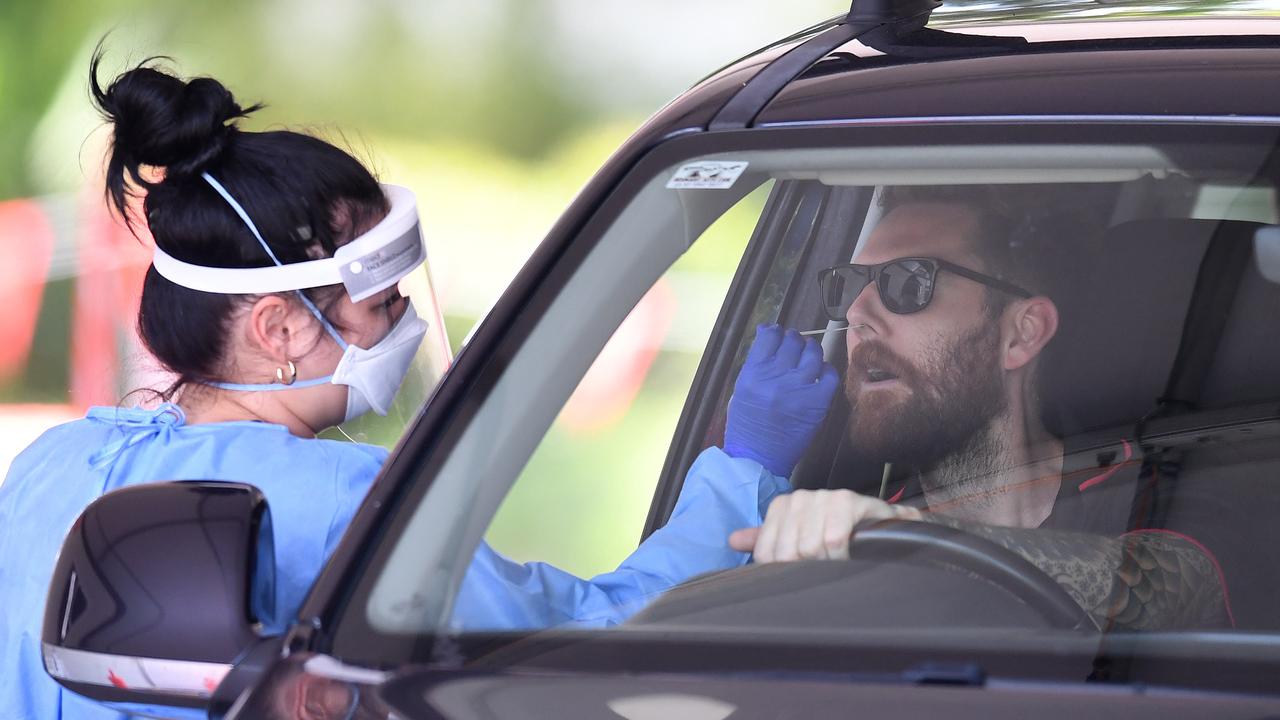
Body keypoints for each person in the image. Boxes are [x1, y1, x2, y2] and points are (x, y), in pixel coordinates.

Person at [0, 58, 786, 720]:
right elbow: (595, 638)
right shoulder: (344, 496)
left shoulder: (51, 461)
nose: (405, 319)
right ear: (278, 330)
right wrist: (746, 467)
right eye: (380, 303)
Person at [694, 186, 1232, 630]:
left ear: (1022, 333)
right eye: (848, 285)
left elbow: (1172, 587)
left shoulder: (1163, 487)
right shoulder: (855, 532)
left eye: (908, 283)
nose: (857, 316)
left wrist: (913, 543)